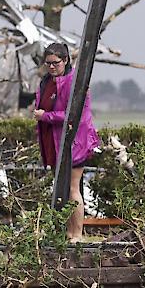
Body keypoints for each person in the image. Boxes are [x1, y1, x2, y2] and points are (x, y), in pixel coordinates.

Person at [33, 43, 100, 242]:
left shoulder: (74, 81)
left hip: (74, 143)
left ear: (66, 61)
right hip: (54, 143)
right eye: (48, 63)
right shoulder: (47, 81)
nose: (51, 67)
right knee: (61, 188)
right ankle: (67, 232)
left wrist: (46, 116)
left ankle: (77, 234)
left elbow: (75, 114)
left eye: (55, 63)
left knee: (72, 188)